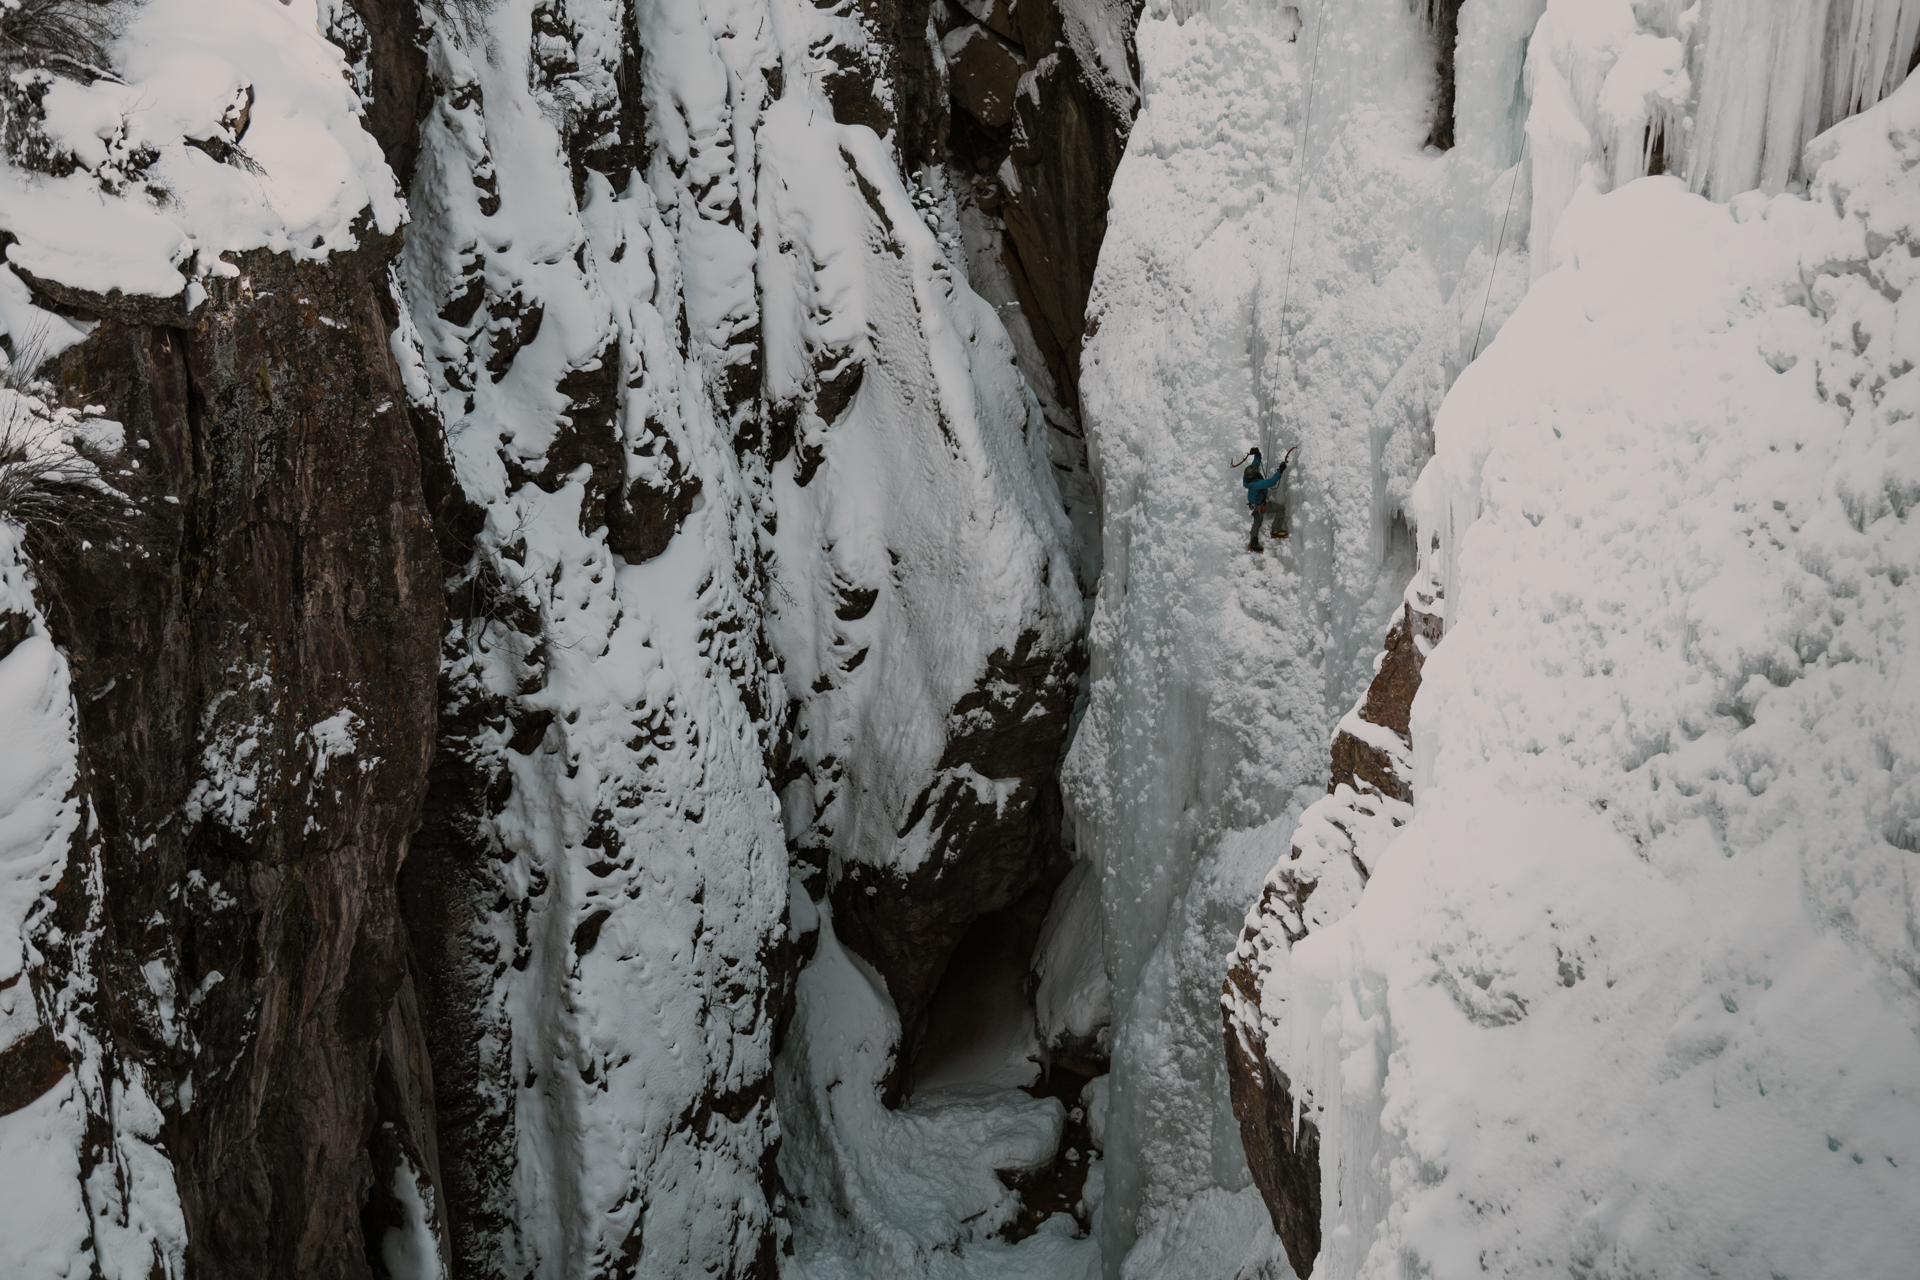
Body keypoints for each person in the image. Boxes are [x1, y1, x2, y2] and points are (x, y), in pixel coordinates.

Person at [1234, 445, 1295, 553]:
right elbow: (1271, 482)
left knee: (1257, 523)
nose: (1257, 470)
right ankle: (1276, 530)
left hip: (1255, 505)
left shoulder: (1248, 478)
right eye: (1257, 471)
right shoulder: (1256, 484)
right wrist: (1280, 471)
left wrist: (1257, 453)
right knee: (1280, 508)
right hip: (1260, 505)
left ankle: (1253, 543)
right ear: (1255, 475)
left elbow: (1256, 463)